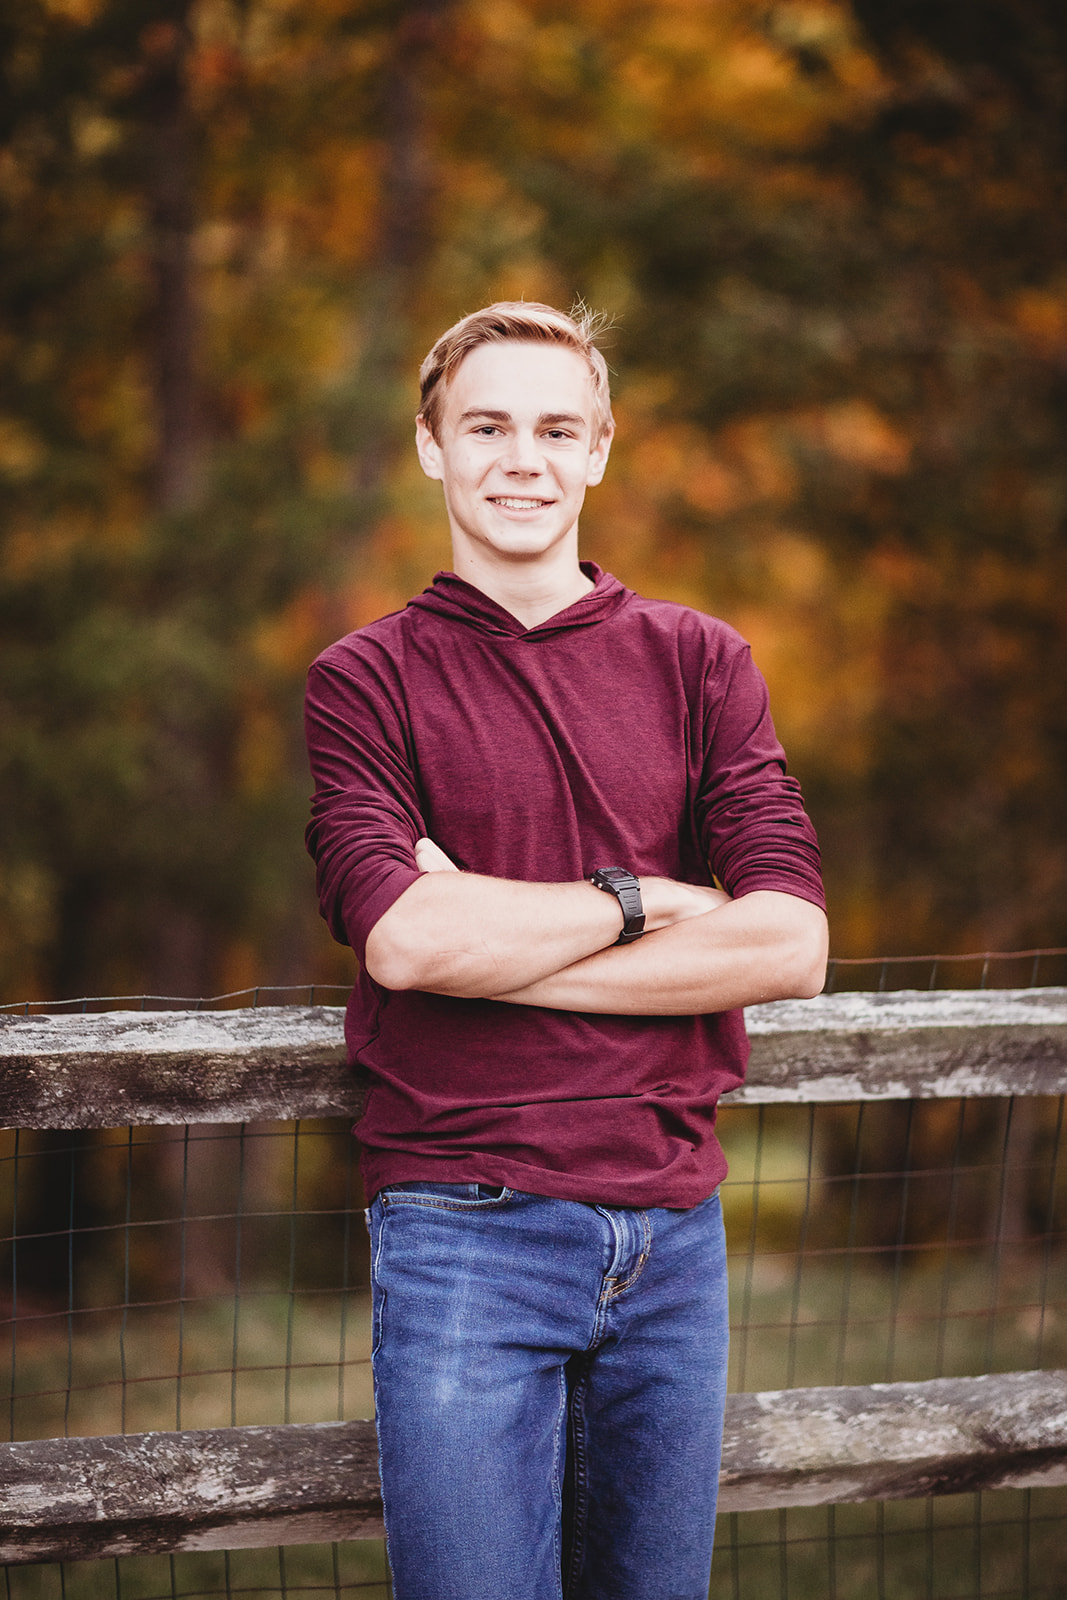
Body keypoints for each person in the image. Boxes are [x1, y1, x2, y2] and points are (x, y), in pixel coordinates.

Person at [304, 302, 827, 1600]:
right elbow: (413, 945)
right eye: (485, 425)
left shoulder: (703, 663)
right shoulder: (366, 681)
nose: (520, 457)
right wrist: (651, 897)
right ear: (432, 448)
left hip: (673, 1226)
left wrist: (505, 937)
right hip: (462, 1225)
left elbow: (791, 941)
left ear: (600, 450)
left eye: (554, 427)